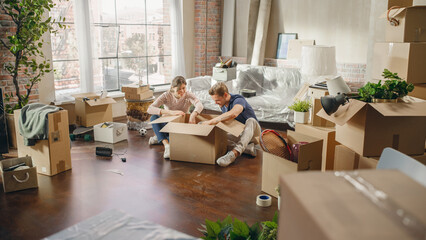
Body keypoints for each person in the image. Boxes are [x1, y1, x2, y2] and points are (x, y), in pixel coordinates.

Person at [202, 82, 260, 167]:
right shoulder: (223, 105)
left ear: (225, 95)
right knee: (218, 137)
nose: (215, 103)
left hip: (254, 134)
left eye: (217, 100)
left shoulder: (238, 99)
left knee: (251, 120)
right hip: (241, 134)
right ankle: (247, 149)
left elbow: (234, 113)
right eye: (214, 100)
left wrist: (211, 121)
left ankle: (234, 153)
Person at [147, 76, 203, 159]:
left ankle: (160, 138)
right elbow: (149, 109)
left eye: (184, 88)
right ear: (173, 88)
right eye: (179, 89)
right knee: (153, 117)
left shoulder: (187, 94)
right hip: (167, 124)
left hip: (179, 126)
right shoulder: (166, 95)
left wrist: (193, 115)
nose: (183, 91)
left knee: (179, 142)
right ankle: (167, 146)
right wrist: (170, 112)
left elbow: (199, 105)